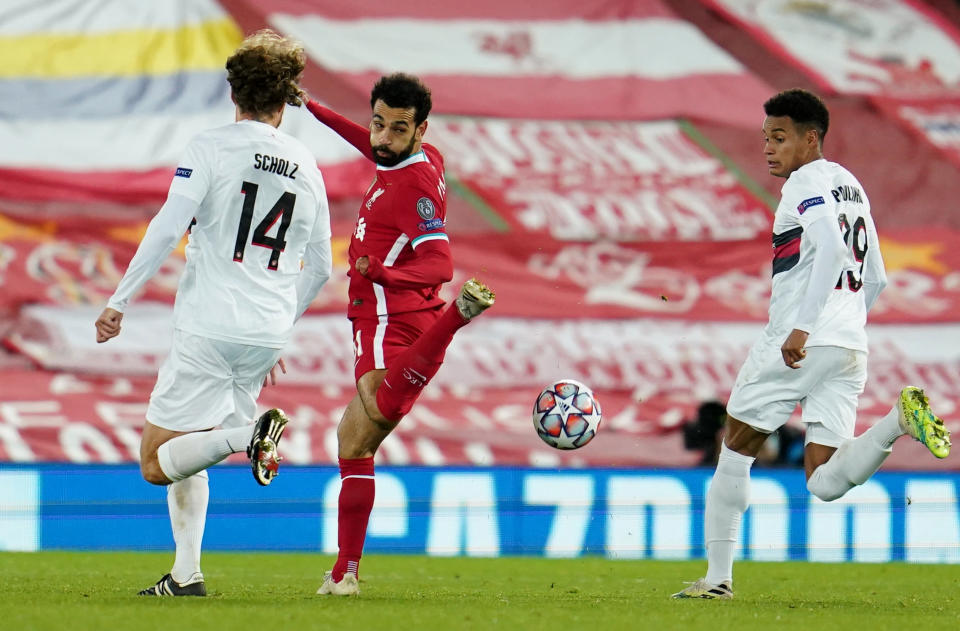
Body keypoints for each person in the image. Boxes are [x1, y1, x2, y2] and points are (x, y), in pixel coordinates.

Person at [673, 88, 951, 600]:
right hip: (849, 344)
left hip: (800, 339)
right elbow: (878, 277)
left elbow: (828, 247)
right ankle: (896, 423)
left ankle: (716, 579)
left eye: (779, 137)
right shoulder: (851, 185)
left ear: (811, 138)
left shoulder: (805, 182)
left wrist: (804, 329)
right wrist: (846, 327)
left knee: (734, 449)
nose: (769, 148)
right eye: (765, 138)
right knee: (823, 480)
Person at [94, 29, 333, 597]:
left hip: (209, 323)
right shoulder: (307, 165)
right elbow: (321, 267)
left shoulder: (210, 146)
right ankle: (186, 575)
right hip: (268, 329)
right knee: (187, 451)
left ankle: (245, 436)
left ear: (235, 94)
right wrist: (277, 328)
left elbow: (168, 225)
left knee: (156, 462)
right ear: (285, 101)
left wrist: (119, 299)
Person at [302, 73, 495, 596]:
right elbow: (367, 142)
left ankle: (459, 317)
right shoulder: (421, 156)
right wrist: (314, 108)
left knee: (378, 408)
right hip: (397, 310)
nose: (382, 138)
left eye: (397, 129)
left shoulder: (411, 186)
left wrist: (386, 274)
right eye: (378, 123)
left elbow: (440, 261)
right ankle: (344, 574)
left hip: (391, 314)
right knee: (351, 440)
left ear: (420, 128)